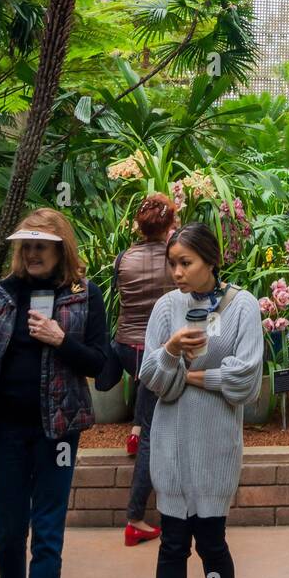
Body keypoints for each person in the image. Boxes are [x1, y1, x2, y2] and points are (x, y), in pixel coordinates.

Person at [0, 208, 107, 578]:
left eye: (42, 247)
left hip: (57, 433)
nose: (33, 255)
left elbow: (103, 367)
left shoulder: (84, 295)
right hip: (6, 431)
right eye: (27, 247)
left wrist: (61, 340)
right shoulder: (5, 293)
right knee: (8, 532)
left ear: (61, 250)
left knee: (47, 533)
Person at [139, 223, 263, 578]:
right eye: (172, 263)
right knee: (172, 546)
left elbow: (246, 381)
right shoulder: (166, 308)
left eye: (186, 262)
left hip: (215, 450)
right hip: (170, 451)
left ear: (210, 260)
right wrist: (171, 350)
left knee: (212, 544)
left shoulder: (242, 306)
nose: (177, 272)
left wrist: (192, 377)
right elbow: (152, 378)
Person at [112, 192, 178, 547]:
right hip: (155, 350)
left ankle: (135, 432)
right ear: (169, 224)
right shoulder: (176, 259)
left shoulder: (123, 257)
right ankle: (135, 518)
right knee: (156, 431)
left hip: (126, 346)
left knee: (145, 392)